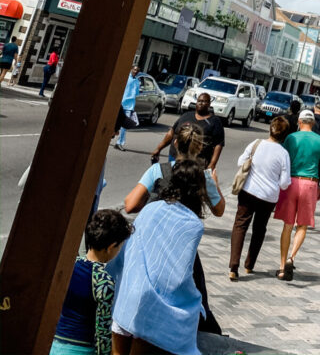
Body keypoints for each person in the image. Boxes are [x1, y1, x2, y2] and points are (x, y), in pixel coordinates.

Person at [123, 121, 225, 336]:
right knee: (196, 300)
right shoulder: (204, 176)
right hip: (182, 249)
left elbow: (130, 204)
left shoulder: (158, 170)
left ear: (175, 143)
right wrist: (214, 183)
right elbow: (219, 210)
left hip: (150, 244)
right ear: (200, 148)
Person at [112, 161, 212, 355]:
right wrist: (193, 302)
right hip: (152, 310)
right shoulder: (193, 225)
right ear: (198, 190)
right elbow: (178, 275)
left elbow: (129, 251)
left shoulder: (151, 208)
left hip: (127, 296)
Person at [50, 209, 132, 355]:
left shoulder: (69, 265)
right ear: (111, 247)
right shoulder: (104, 281)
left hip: (54, 344)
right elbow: (102, 334)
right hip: (81, 349)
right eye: (119, 246)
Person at [229, 115, 292, 279]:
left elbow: (240, 162)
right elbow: (285, 183)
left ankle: (233, 267)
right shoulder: (284, 154)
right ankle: (249, 265)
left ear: (270, 128)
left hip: (248, 191)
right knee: (259, 229)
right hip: (268, 197)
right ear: (284, 135)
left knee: (240, 225)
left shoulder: (256, 144)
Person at [274, 109, 320, 280]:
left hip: (291, 182)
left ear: (299, 121)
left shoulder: (291, 138)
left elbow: (283, 158)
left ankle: (282, 267)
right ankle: (292, 257)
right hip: (310, 183)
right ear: (312, 123)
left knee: (287, 225)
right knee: (302, 225)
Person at [150, 92, 225, 170]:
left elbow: (218, 145)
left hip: (198, 161)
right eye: (199, 101)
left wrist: (212, 164)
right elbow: (171, 133)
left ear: (209, 104)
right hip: (175, 156)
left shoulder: (215, 122)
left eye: (204, 101)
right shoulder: (186, 115)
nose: (201, 103)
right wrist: (159, 148)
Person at [114, 66, 141, 151]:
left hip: (130, 106)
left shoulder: (137, 82)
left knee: (124, 126)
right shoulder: (125, 78)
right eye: (134, 69)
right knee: (114, 121)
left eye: (137, 70)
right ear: (131, 69)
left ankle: (119, 143)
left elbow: (136, 93)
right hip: (121, 103)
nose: (135, 71)